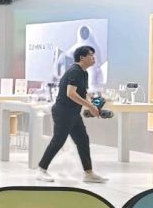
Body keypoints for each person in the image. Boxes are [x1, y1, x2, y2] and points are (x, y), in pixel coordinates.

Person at [37, 45, 107, 184]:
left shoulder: (84, 73)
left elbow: (82, 93)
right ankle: (41, 169)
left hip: (73, 112)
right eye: (91, 55)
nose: (93, 58)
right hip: (63, 112)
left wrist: (93, 105)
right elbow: (71, 93)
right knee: (58, 141)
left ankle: (89, 173)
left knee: (83, 140)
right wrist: (90, 106)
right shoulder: (75, 71)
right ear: (82, 57)